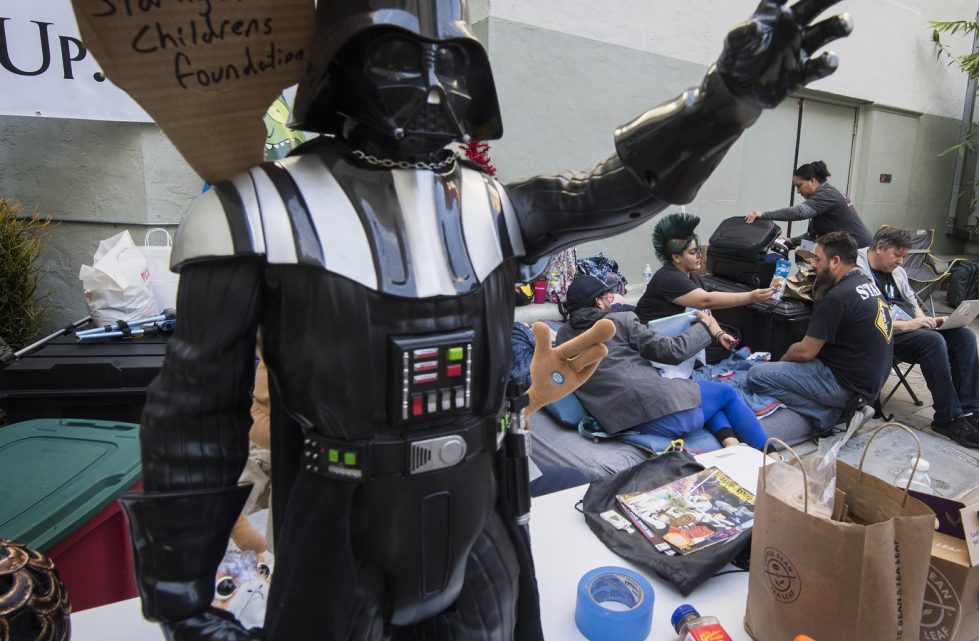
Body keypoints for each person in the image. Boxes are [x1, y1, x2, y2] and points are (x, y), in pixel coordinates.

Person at [114, 1, 854, 640]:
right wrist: (182, 600)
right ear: (338, 63)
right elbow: (194, 418)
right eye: (402, 57)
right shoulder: (251, 214)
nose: (435, 84)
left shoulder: (490, 205)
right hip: (338, 526)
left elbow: (621, 187)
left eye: (454, 61)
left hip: (480, 512)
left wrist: (723, 98)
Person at [557, 275, 770, 448]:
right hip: (658, 409)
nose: (610, 303)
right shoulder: (619, 321)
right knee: (726, 393)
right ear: (598, 302)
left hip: (620, 421)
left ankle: (731, 445)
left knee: (702, 398)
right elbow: (673, 351)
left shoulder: (562, 338)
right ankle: (772, 456)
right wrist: (706, 326)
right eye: (609, 298)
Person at [857, 226, 979, 448]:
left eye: (904, 257)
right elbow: (866, 319)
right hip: (882, 334)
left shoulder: (896, 271)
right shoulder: (858, 270)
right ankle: (948, 417)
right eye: (897, 255)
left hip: (911, 329)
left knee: (963, 336)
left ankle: (970, 412)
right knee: (932, 341)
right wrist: (911, 325)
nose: (900, 262)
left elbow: (912, 302)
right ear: (879, 248)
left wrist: (927, 321)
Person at [746, 232, 892, 431]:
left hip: (847, 387)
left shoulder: (837, 297)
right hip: (869, 385)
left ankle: (828, 414)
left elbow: (806, 351)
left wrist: (782, 361)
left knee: (756, 376)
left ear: (835, 262)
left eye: (817, 258)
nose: (813, 264)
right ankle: (841, 407)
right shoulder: (866, 284)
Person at [634, 212, 773, 323]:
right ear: (676, 257)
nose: (700, 255)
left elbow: (705, 313)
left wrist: (719, 334)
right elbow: (707, 301)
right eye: (693, 252)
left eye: (699, 250)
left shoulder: (693, 276)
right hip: (651, 337)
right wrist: (750, 296)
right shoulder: (668, 277)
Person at [744, 160, 871, 248]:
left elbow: (799, 212)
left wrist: (763, 215)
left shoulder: (828, 194)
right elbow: (814, 235)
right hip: (847, 250)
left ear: (812, 181)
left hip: (860, 251)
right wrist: (793, 242)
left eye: (799, 186)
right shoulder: (823, 197)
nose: (798, 191)